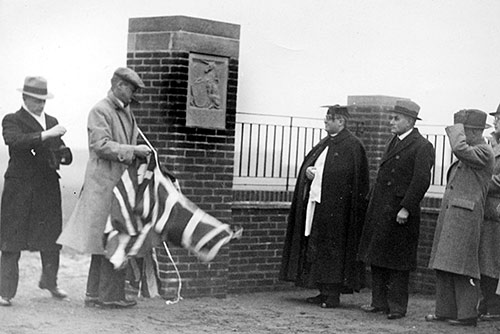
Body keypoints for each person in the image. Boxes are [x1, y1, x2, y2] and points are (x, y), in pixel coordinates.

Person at [57, 67, 151, 309]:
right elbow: (100, 145)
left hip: (117, 185)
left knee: (106, 238)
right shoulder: (100, 110)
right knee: (112, 237)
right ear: (118, 85)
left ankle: (95, 294)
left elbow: (119, 143)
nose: (133, 94)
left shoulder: (126, 111)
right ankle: (110, 296)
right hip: (104, 186)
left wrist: (136, 152)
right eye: (131, 88)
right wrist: (134, 151)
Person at [280, 105, 369, 308]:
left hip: (339, 211)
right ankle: (322, 291)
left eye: (330, 118)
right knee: (317, 247)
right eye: (326, 117)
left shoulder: (352, 146)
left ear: (341, 122)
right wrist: (309, 172)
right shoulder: (325, 143)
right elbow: (315, 166)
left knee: (333, 251)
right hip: (319, 205)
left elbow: (349, 177)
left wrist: (319, 175)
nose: (326, 121)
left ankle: (332, 295)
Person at [357, 100, 435, 320]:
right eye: (391, 117)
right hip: (383, 208)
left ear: (409, 121)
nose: (391, 122)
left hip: (400, 212)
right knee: (379, 257)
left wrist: (406, 208)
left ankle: (397, 307)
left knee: (398, 261)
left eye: (396, 118)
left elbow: (421, 181)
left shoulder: (422, 146)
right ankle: (379, 302)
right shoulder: (393, 141)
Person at [0, 76, 72, 306]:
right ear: (24, 98)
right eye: (35, 100)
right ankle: (5, 292)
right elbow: (15, 142)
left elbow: (58, 150)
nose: (40, 105)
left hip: (46, 186)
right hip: (19, 187)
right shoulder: (12, 119)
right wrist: (47, 135)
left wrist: (64, 153)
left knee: (51, 237)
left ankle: (50, 282)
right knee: (12, 239)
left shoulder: (51, 120)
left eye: (43, 100)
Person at [426, 109, 494, 327]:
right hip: (454, 215)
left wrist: (456, 126)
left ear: (474, 131)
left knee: (463, 268)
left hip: (465, 217)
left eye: (464, 130)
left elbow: (458, 148)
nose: (461, 135)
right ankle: (444, 311)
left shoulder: (483, 151)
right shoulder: (475, 151)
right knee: (445, 266)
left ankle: (467, 315)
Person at [477, 104, 500, 321]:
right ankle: (487, 302)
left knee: (493, 261)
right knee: (485, 260)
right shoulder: (492, 143)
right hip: (487, 210)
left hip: (497, 211)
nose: (496, 122)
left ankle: (494, 306)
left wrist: (480, 181)